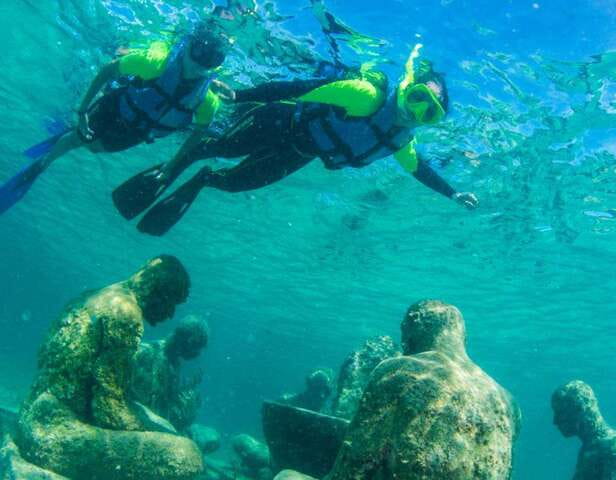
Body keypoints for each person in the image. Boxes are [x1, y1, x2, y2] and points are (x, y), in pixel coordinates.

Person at [112, 44, 479, 236]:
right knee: (218, 146)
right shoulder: (364, 95)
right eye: (417, 98)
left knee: (233, 184)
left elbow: (421, 171)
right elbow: (300, 88)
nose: (414, 113)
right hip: (279, 121)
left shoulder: (400, 141)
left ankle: (199, 179)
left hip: (299, 153)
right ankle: (174, 166)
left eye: (428, 112)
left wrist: (453, 193)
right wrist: (242, 97)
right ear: (406, 87)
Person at [0, 23, 227, 215]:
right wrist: (81, 111)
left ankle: (71, 134)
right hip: (115, 106)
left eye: (212, 60)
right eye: (199, 54)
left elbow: (198, 132)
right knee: (77, 139)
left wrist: (171, 166)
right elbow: (108, 70)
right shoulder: (153, 63)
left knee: (95, 148)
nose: (201, 64)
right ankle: (41, 165)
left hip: (137, 131)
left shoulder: (207, 102)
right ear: (188, 45)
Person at [16, 256, 203, 480]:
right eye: (172, 301)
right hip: (52, 434)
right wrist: (148, 430)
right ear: (159, 290)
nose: (171, 314)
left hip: (30, 412)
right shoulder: (126, 315)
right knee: (187, 455)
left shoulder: (93, 295)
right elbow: (108, 408)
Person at [322, 300, 519, 480]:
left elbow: (355, 463)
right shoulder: (509, 403)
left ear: (413, 327)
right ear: (462, 336)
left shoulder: (399, 371)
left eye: (403, 331)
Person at [131, 315, 210, 432]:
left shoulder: (171, 359)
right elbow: (149, 409)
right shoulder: (155, 358)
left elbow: (163, 394)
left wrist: (187, 389)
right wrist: (185, 406)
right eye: (196, 349)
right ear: (188, 343)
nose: (197, 355)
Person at [551, 380, 616, 480]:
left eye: (560, 412)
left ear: (580, 409)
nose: (555, 421)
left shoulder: (614, 447)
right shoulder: (593, 447)